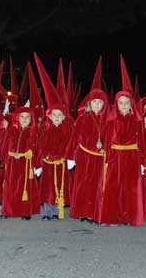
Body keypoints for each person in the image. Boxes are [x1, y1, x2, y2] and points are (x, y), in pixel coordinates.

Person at [96, 56, 144, 226]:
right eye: (120, 103)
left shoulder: (137, 121)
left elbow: (142, 141)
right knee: (113, 186)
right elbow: (108, 141)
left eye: (126, 103)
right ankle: (112, 216)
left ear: (131, 104)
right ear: (116, 104)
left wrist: (143, 162)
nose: (123, 105)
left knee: (130, 188)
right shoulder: (111, 121)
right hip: (116, 157)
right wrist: (107, 159)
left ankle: (129, 217)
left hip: (132, 156)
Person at [34, 54, 73, 220]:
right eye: (54, 115)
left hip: (61, 163)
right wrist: (39, 163)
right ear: (49, 116)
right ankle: (48, 211)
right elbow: (39, 146)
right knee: (48, 187)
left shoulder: (67, 130)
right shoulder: (45, 130)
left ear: (64, 117)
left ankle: (58, 210)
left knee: (60, 186)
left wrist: (69, 158)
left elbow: (70, 145)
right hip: (48, 162)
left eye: (60, 115)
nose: (57, 117)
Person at [65, 88, 109, 223]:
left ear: (104, 104)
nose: (97, 104)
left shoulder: (108, 120)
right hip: (85, 156)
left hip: (101, 158)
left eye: (100, 102)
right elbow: (75, 138)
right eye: (94, 101)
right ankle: (83, 212)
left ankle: (96, 213)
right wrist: (70, 156)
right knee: (83, 184)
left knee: (98, 185)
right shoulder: (83, 118)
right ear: (89, 103)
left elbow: (111, 139)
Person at [1, 107, 40, 220]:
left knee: (25, 187)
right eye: (22, 117)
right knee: (10, 186)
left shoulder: (34, 132)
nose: (24, 119)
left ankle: (25, 211)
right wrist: (2, 159)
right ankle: (8, 210)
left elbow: (38, 149)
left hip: (26, 163)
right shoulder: (11, 131)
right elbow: (5, 144)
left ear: (31, 119)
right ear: (17, 118)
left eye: (27, 117)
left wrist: (38, 164)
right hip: (12, 162)